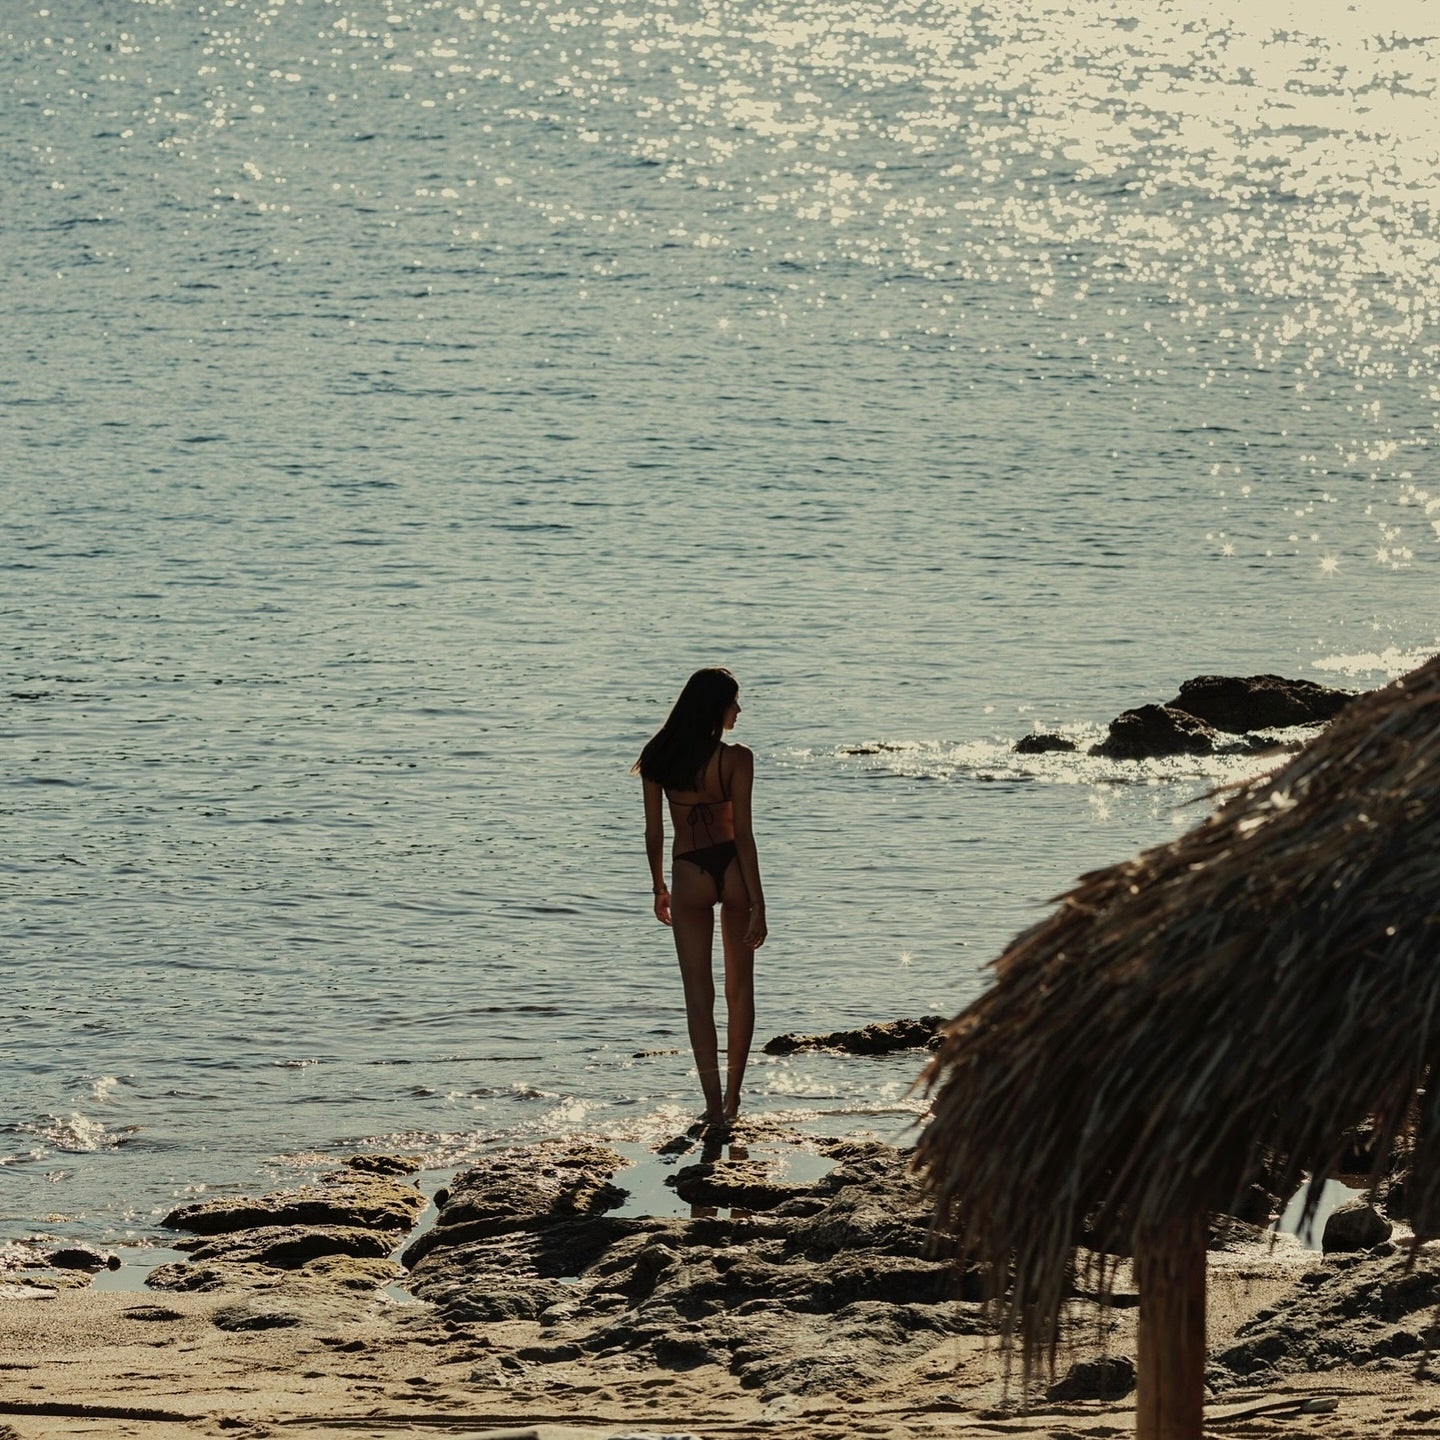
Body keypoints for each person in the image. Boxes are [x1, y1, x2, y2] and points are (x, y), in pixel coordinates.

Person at [634, 668, 767, 1129]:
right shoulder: (736, 759)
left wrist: (659, 887)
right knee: (739, 989)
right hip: (732, 869)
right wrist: (758, 903)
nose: (738, 710)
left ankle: (711, 1105)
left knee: (698, 994)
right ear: (716, 707)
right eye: (734, 702)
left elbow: (654, 833)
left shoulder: (658, 755)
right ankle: (733, 1100)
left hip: (688, 871)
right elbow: (744, 835)